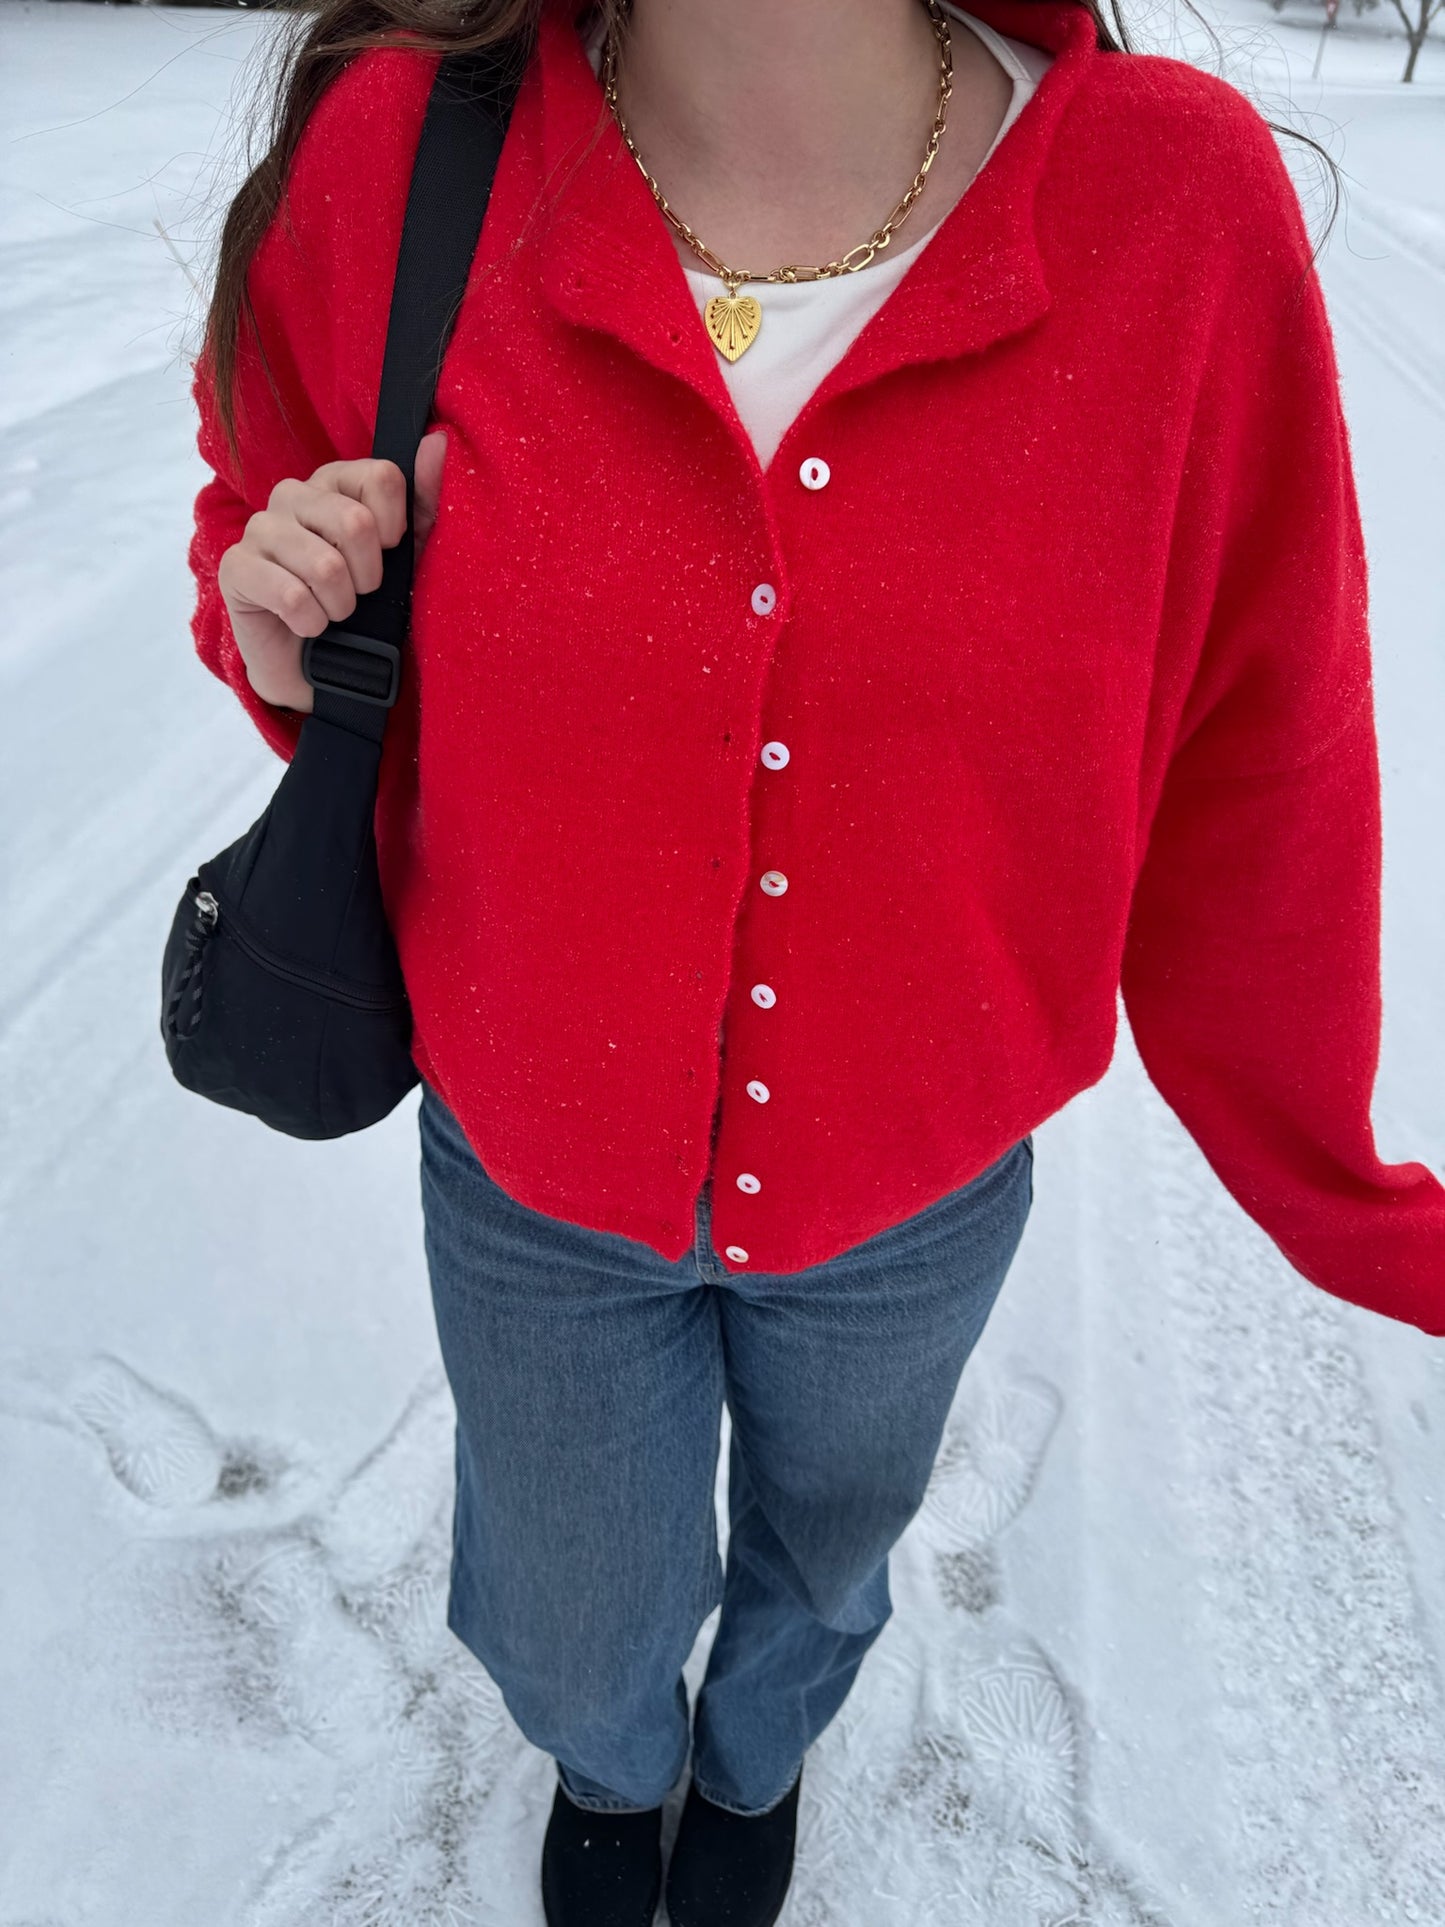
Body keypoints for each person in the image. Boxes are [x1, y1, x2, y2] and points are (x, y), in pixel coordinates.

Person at [186, 0, 1445, 1920]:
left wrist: (1346, 1199)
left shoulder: (1169, 207)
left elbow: (1261, 745)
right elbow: (265, 519)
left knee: (832, 1544)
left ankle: (759, 1758)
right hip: (532, 1172)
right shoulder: (398, 158)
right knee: (570, 1596)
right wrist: (280, 621)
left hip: (914, 1192)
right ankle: (609, 1773)